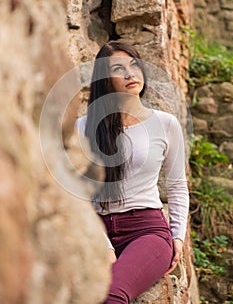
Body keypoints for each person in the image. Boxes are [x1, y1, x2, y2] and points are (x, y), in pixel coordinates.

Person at [75, 41, 189, 304]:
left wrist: (178, 236)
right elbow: (77, 193)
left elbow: (177, 186)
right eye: (118, 69)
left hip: (147, 231)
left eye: (134, 65)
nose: (130, 74)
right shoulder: (83, 128)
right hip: (95, 227)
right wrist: (103, 245)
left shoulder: (165, 124)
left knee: (111, 295)